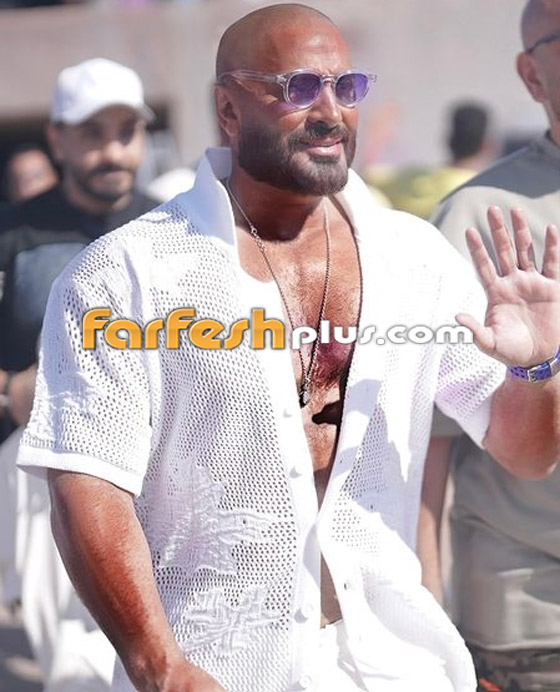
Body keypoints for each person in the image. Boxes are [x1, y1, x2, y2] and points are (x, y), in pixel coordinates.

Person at [15, 5, 560, 692]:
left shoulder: (416, 259)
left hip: (395, 664)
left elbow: (527, 453)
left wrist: (538, 368)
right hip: (221, 668)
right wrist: (161, 667)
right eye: (298, 88)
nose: (330, 112)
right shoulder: (125, 275)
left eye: (347, 87)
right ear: (228, 108)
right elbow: (88, 484)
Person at [0, 57, 158, 692]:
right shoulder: (13, 236)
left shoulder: (175, 227)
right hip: (45, 469)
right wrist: (11, 390)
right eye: (92, 134)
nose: (113, 152)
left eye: (127, 132)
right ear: (58, 139)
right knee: (73, 667)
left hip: (162, 471)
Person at [428, 1, 560, 689]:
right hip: (536, 624)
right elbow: (426, 441)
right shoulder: (478, 219)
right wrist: (428, 634)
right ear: (531, 75)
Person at [367, 102, 497, 219]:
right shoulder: (482, 191)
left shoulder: (415, 179)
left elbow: (368, 175)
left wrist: (377, 137)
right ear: (486, 145)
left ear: (448, 139)